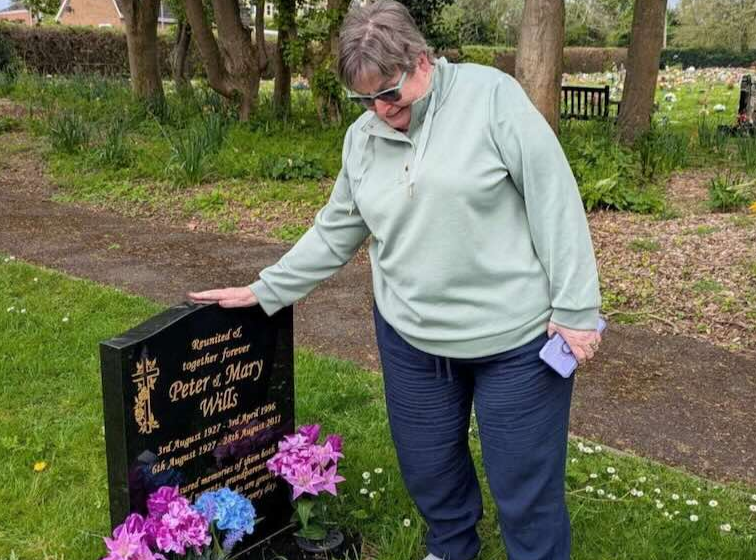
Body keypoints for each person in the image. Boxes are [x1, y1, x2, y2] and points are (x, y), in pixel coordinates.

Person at [189, 2, 602, 559]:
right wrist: (267, 289)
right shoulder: (363, 139)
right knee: (429, 467)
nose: (381, 110)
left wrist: (576, 311)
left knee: (524, 485)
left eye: (390, 93)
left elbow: (555, 202)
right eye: (365, 100)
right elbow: (335, 230)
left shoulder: (493, 99)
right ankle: (452, 547)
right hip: (411, 338)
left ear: (422, 61)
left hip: (515, 341)